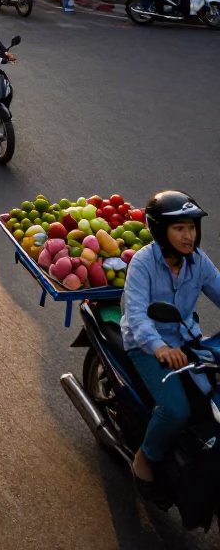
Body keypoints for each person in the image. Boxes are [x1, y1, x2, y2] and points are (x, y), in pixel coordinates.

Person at [121, 191, 220, 498]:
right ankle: (145, 458)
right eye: (179, 229)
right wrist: (159, 347)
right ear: (160, 231)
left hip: (185, 340)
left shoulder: (198, 261)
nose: (188, 235)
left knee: (211, 401)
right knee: (176, 410)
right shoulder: (143, 263)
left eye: (191, 227)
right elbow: (136, 314)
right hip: (145, 344)